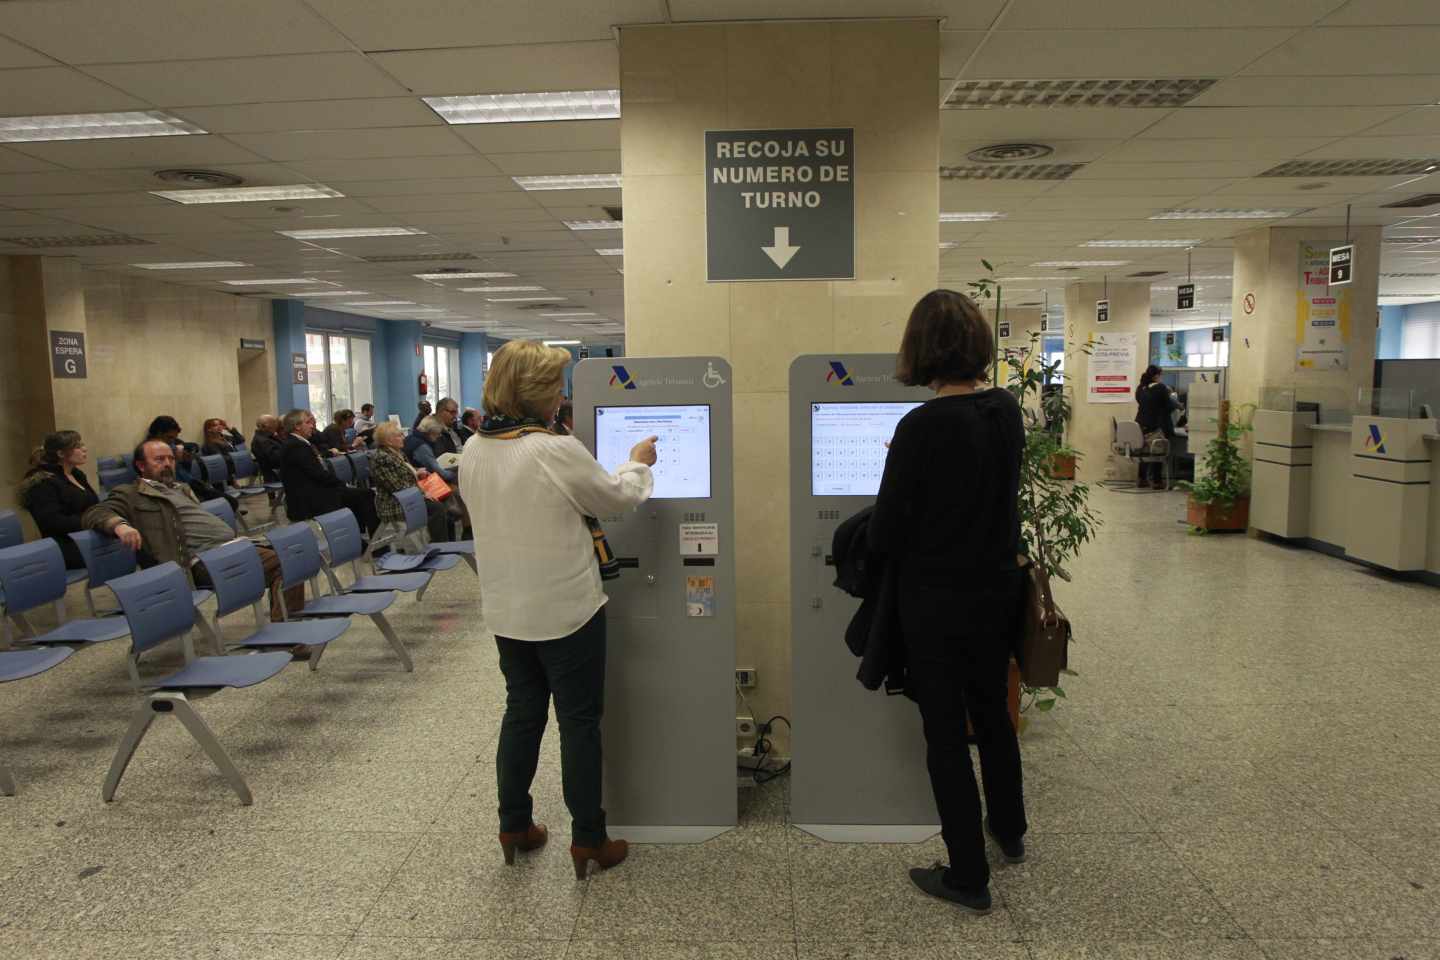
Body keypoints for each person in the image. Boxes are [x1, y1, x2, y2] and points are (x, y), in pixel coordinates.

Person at [458, 340, 657, 879]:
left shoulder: (475, 447)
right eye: (556, 388)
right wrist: (637, 465)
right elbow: (614, 499)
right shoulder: (550, 449)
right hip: (567, 610)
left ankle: (514, 825)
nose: (561, 398)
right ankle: (590, 839)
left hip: (506, 609)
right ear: (537, 392)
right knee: (578, 723)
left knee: (521, 714)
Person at [871, 289, 1028, 915]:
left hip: (937, 600)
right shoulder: (1005, 412)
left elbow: (887, 533)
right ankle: (1009, 831)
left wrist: (898, 472)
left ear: (921, 350)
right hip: (996, 591)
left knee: (943, 733)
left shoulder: (920, 425)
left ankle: (967, 875)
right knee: (991, 713)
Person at [81, 439, 303, 623]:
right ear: (140, 465)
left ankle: (287, 620)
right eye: (159, 460)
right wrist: (119, 525)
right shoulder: (131, 493)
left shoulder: (179, 488)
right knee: (286, 560)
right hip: (201, 560)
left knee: (296, 549)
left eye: (170, 458)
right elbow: (94, 512)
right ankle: (288, 629)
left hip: (231, 547)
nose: (167, 464)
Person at [279, 409, 378, 534]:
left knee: (361, 494)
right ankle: (372, 543)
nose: (312, 426)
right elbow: (318, 474)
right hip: (309, 500)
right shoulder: (296, 446)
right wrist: (341, 484)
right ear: (297, 426)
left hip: (313, 492)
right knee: (366, 495)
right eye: (308, 422)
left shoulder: (297, 443)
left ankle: (357, 535)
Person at [17, 430, 98, 570]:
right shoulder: (41, 482)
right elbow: (53, 522)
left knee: (128, 537)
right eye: (78, 447)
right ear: (61, 454)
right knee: (123, 546)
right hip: (66, 545)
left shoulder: (76, 474)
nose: (84, 449)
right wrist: (92, 521)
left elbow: (94, 504)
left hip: (88, 535)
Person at [371, 421, 451, 544]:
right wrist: (422, 493)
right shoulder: (382, 458)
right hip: (394, 502)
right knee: (436, 508)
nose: (403, 437)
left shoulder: (396, 452)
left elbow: (405, 470)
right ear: (388, 441)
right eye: (399, 435)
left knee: (444, 499)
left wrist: (417, 472)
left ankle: (445, 542)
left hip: (409, 494)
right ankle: (441, 545)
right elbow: (397, 487)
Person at [1135, 364, 1178, 490]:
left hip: (1140, 424)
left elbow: (1144, 403)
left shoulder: (1140, 388)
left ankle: (1142, 479)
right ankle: (1157, 481)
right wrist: (1178, 405)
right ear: (1156, 375)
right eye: (1160, 375)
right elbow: (1169, 405)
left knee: (1143, 452)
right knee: (1157, 452)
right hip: (1157, 425)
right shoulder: (1160, 388)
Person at [404, 417, 456, 484]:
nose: (439, 436)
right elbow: (440, 473)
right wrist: (456, 475)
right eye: (438, 433)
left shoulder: (409, 438)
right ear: (431, 432)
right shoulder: (422, 447)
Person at [251, 415, 284, 482]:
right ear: (265, 426)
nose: (276, 425)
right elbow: (276, 459)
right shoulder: (262, 441)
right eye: (274, 423)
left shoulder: (268, 437)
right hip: (275, 473)